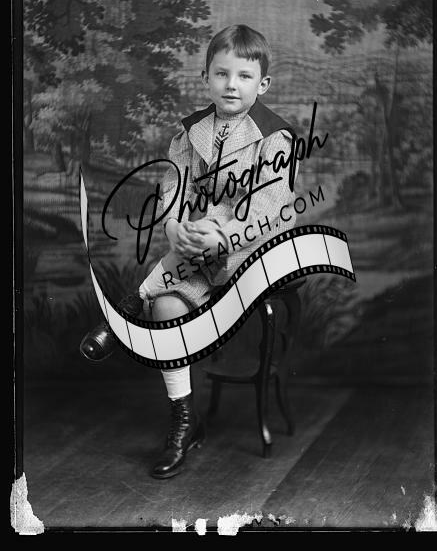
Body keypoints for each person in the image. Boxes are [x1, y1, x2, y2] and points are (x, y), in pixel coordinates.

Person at [80, 24, 299, 478]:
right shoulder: (190, 133)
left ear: (262, 84)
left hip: (250, 255)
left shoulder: (274, 137)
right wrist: (175, 226)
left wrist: (222, 236)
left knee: (210, 230)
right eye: (222, 74)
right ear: (205, 78)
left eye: (243, 76)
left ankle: (125, 309)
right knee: (165, 307)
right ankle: (184, 421)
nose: (231, 85)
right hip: (197, 254)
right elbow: (173, 189)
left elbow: (273, 209)